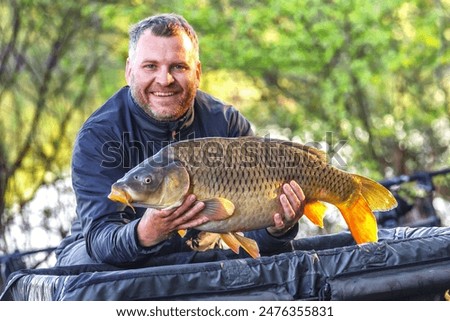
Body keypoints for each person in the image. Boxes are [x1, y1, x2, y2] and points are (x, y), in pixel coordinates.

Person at [55, 13, 305, 267]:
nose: (165, 80)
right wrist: (146, 232)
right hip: (100, 255)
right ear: (130, 71)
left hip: (200, 249)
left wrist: (278, 229)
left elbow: (253, 240)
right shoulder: (100, 135)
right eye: (150, 66)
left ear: (197, 72)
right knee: (92, 267)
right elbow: (101, 239)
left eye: (178, 66)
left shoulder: (226, 123)